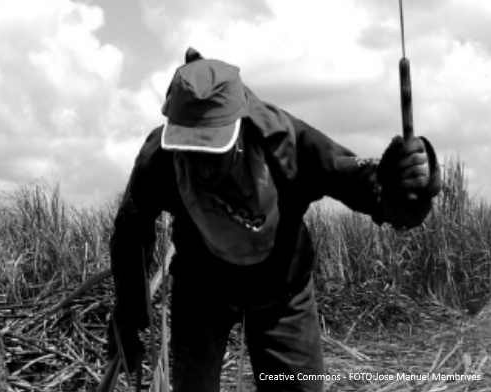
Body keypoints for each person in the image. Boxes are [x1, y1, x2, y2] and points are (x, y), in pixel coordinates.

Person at [106, 48, 442, 392]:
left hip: (281, 285)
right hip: (202, 284)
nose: (202, 166)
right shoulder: (159, 160)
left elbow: (371, 189)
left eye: (213, 149)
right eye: (192, 149)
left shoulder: (287, 145)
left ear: (239, 128)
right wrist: (127, 316)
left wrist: (412, 184)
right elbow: (131, 231)